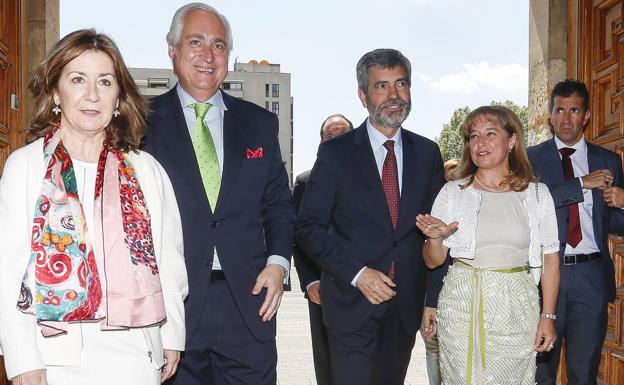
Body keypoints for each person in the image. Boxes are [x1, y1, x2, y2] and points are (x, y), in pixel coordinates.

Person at [0, 29, 188, 385]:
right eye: (77, 79)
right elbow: (6, 270)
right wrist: (22, 358)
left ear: (119, 97)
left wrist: (172, 335)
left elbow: (169, 260)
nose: (92, 95)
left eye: (104, 82)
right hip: (53, 358)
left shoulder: (146, 170)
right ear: (56, 91)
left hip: (136, 353)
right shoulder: (26, 167)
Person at [141, 3, 295, 385]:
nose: (208, 56)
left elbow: (278, 205)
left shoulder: (260, 124)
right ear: (172, 50)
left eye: (219, 45)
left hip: (249, 305)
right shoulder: (139, 124)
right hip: (172, 309)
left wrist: (278, 263)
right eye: (195, 42)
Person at [296, 48, 447, 385]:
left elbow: (438, 232)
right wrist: (358, 274)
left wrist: (432, 299)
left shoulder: (427, 153)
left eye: (401, 84)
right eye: (382, 86)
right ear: (363, 96)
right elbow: (308, 228)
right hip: (351, 304)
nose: (394, 96)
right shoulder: (336, 153)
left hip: (405, 309)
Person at [417, 105, 561, 385]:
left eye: (490, 133)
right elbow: (433, 261)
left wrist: (548, 315)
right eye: (473, 136)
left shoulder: (538, 195)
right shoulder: (452, 193)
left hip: (515, 305)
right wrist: (436, 238)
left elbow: (551, 259)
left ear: (511, 140)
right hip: (461, 302)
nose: (480, 143)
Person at [528, 79, 624, 385]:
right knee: (541, 371)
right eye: (559, 110)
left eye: (574, 110)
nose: (566, 118)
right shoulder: (530, 158)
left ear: (586, 116)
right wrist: (581, 184)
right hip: (544, 275)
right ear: (550, 114)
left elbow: (614, 225)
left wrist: (622, 204)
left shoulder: (607, 160)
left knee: (584, 373)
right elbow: (529, 206)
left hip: (591, 275)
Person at [292, 113, 353, 385]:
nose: (337, 139)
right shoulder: (306, 182)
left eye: (344, 134)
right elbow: (298, 235)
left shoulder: (378, 179)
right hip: (323, 287)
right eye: (331, 135)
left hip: (369, 284)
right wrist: (310, 280)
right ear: (321, 142)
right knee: (327, 358)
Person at [420, 158, 460, 385]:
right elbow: (435, 262)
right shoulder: (436, 209)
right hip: (433, 292)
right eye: (450, 174)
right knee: (434, 348)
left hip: (462, 294)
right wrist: (431, 302)